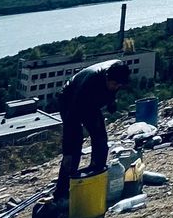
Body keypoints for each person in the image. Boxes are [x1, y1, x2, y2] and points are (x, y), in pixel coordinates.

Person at [53, 58, 132, 199]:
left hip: (91, 103)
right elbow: (71, 119)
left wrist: (111, 100)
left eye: (119, 85)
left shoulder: (116, 73)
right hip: (69, 101)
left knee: (101, 139)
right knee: (74, 145)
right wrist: (68, 147)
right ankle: (63, 190)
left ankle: (96, 173)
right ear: (107, 78)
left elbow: (113, 88)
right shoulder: (89, 83)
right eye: (114, 84)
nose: (116, 87)